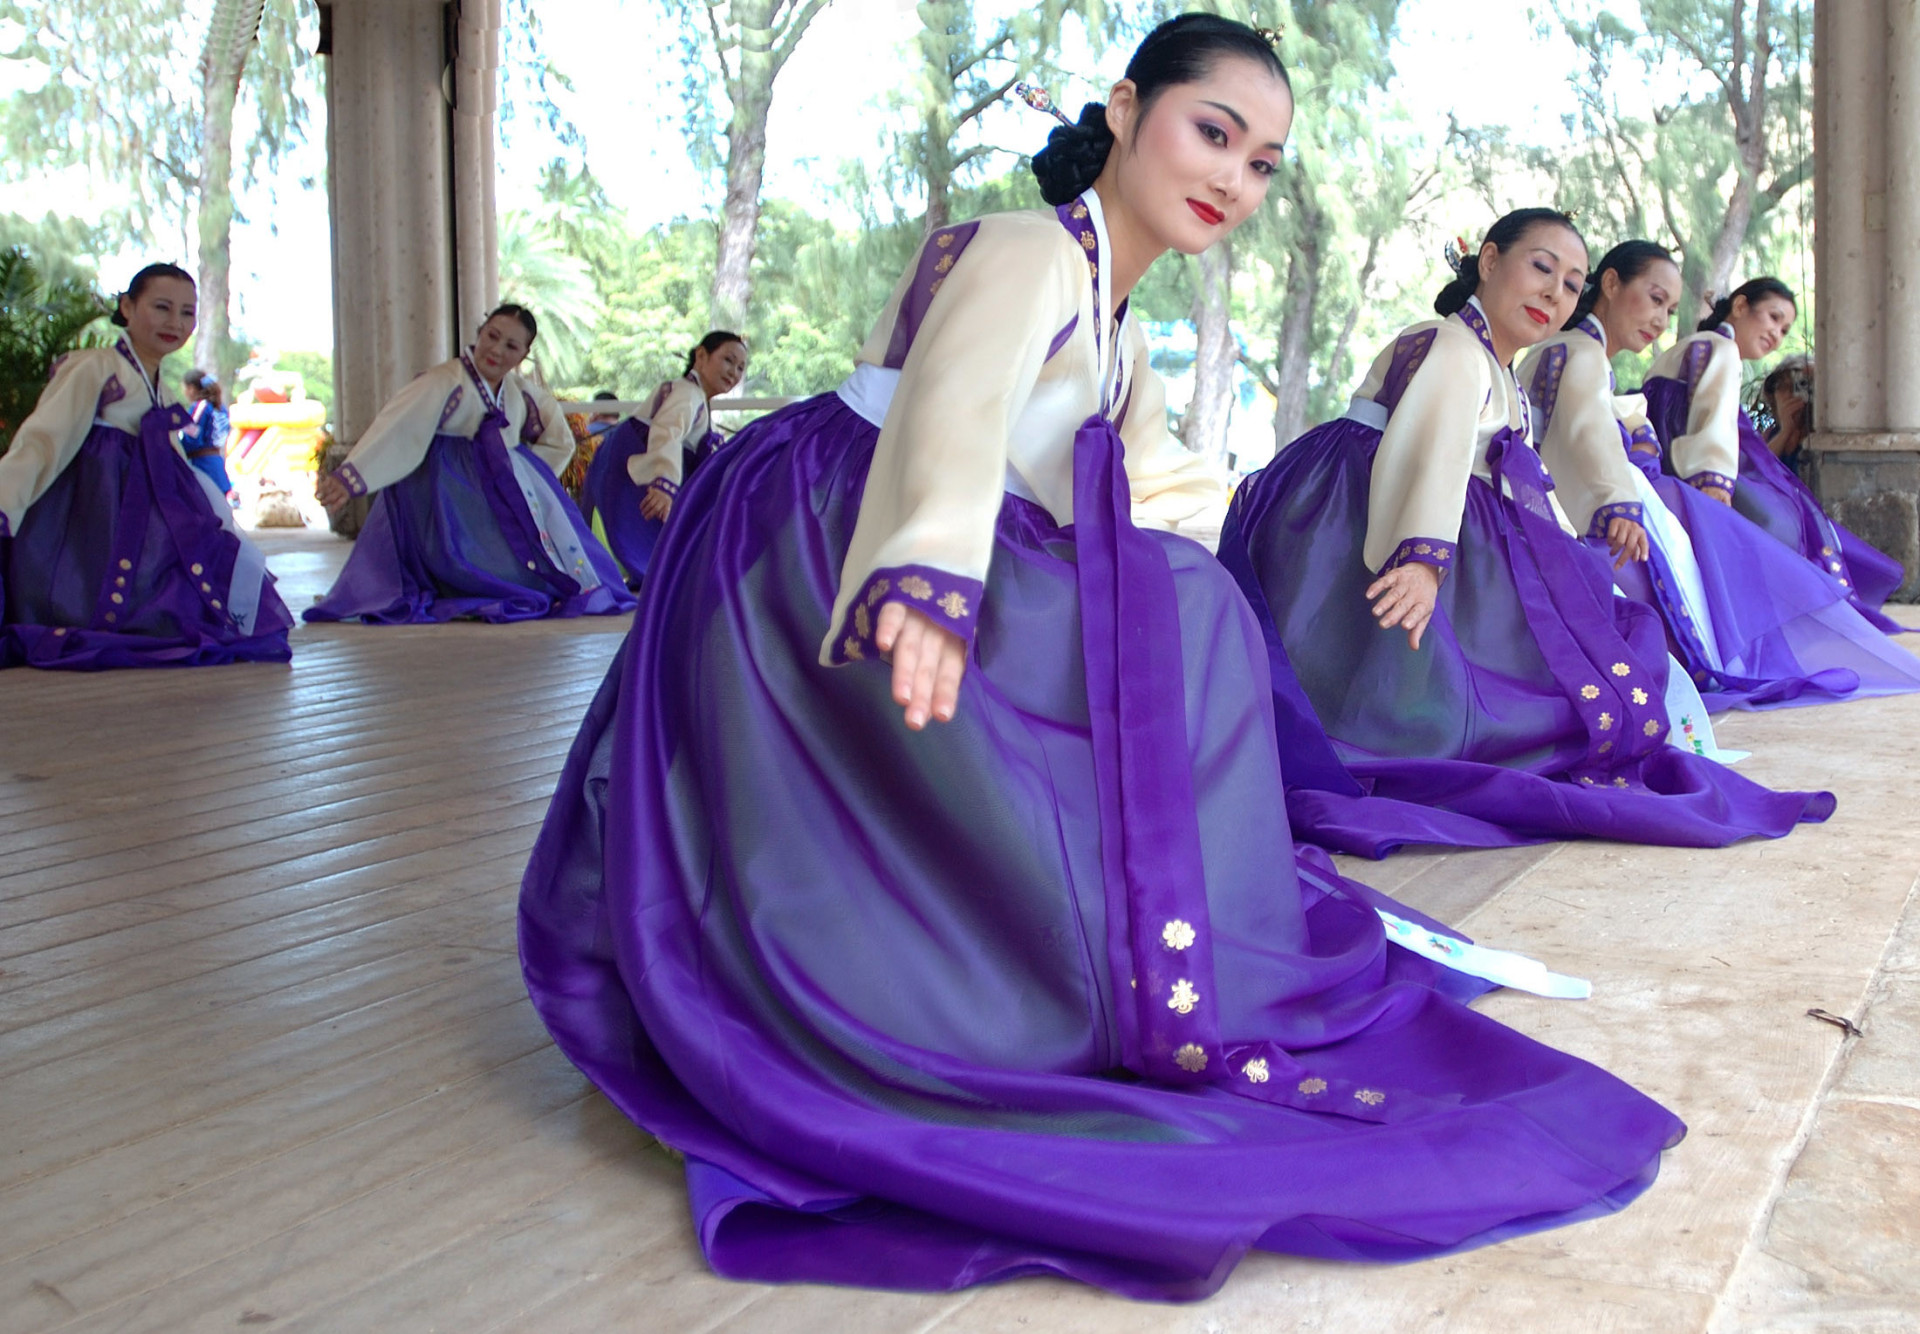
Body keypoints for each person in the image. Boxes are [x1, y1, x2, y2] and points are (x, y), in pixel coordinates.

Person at [520, 17, 1685, 1302]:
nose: (1234, 180)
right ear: (1126, 111)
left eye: (1263, 164)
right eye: (1214, 134)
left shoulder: (1115, 316)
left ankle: (1110, 915)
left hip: (949, 543)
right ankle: (953, 946)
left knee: (1189, 614)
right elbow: (954, 409)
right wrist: (929, 576)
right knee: (1174, 623)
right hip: (836, 528)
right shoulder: (1029, 247)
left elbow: (1124, 490)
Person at [1220, 212, 1832, 851]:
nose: (1555, 293)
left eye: (1571, 283)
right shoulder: (1451, 345)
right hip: (1361, 510)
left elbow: (1517, 466)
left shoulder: (1499, 363)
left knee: (1586, 631)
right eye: (1541, 267)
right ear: (1488, 261)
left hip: (1447, 518)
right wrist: (1422, 558)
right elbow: (1432, 448)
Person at [1521, 243, 1920, 708]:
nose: (1661, 320)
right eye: (1654, 299)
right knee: (1766, 530)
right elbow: (1601, 434)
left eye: (1670, 309)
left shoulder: (1640, 354)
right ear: (1610, 284)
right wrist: (1706, 484)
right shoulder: (1710, 349)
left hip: (1616, 486)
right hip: (1631, 491)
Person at [0, 263, 293, 668]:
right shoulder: (95, 367)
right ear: (128, 306)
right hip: (94, 512)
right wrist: (6, 500)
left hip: (149, 518)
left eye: (187, 313)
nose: (175, 322)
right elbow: (45, 438)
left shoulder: (163, 390)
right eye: (161, 307)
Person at [307, 303, 635, 624]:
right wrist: (350, 478)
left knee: (554, 571)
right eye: (492, 336)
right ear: (480, 332)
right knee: (474, 570)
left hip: (496, 494)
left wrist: (527, 474)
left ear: (523, 356)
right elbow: (398, 427)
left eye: (510, 346)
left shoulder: (519, 392)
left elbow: (559, 439)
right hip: (444, 495)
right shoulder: (444, 381)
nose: (496, 350)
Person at [1640, 279, 1907, 630]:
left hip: (1670, 464)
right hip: (1699, 469)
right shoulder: (1722, 349)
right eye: (1772, 318)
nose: (1777, 334)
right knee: (1784, 522)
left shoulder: (1687, 347)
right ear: (1740, 306)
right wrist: (1715, 481)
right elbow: (1714, 420)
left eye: (1784, 329)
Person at [583, 331, 747, 583]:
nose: (733, 372)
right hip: (637, 469)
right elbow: (666, 432)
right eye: (728, 360)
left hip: (648, 467)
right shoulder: (687, 393)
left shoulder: (695, 397)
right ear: (701, 355)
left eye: (740, 368)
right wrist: (664, 484)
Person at [179, 371, 236, 501]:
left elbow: (190, 438)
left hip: (201, 466)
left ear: (191, 389)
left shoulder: (200, 407)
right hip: (217, 465)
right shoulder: (221, 409)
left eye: (184, 388)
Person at [1759, 356, 1814, 473]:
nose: (1789, 393)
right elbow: (1758, 472)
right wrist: (1785, 432)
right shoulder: (1769, 435)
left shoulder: (1816, 436)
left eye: (1797, 386)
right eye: (1781, 387)